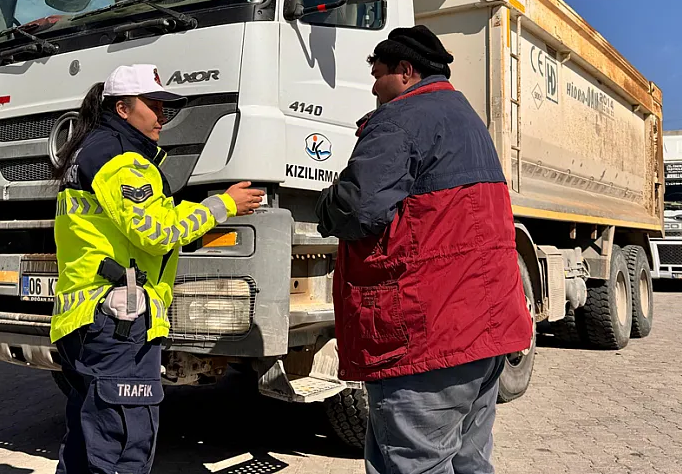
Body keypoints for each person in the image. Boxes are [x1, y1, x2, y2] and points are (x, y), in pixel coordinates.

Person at [315, 26, 534, 474]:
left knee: (415, 464)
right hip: (481, 330)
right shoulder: (465, 117)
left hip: (427, 337)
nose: (373, 87)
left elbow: (358, 208)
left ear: (406, 72)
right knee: (470, 461)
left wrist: (327, 200)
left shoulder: (400, 120)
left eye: (377, 75)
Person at [50, 63, 264, 474]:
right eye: (152, 105)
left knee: (84, 444)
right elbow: (156, 231)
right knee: (122, 451)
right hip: (118, 326)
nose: (161, 115)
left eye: (164, 106)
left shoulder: (91, 151)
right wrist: (223, 207)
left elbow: (156, 212)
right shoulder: (122, 160)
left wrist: (210, 205)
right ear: (123, 108)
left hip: (86, 323)